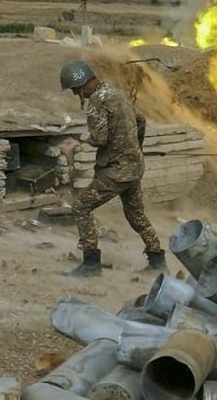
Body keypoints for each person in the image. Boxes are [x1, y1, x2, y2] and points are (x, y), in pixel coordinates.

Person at [59, 60, 166, 276]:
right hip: (134, 167)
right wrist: (135, 148)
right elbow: (141, 121)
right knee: (136, 215)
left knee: (80, 207)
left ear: (81, 84)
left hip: (117, 171)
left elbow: (100, 139)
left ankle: (91, 264)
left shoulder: (97, 102)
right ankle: (157, 262)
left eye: (74, 90)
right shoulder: (117, 94)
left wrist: (83, 139)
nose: (76, 94)